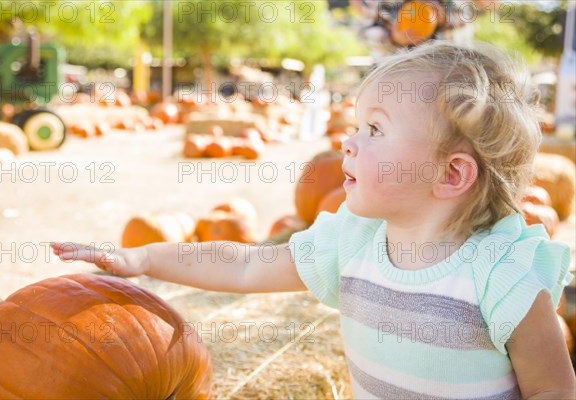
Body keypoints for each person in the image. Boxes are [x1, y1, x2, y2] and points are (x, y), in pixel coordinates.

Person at [52, 41, 576, 399]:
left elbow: (553, 388)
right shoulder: (353, 241)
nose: (348, 142)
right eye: (355, 125)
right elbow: (244, 267)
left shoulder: (499, 274)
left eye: (375, 129)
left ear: (451, 174)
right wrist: (145, 258)